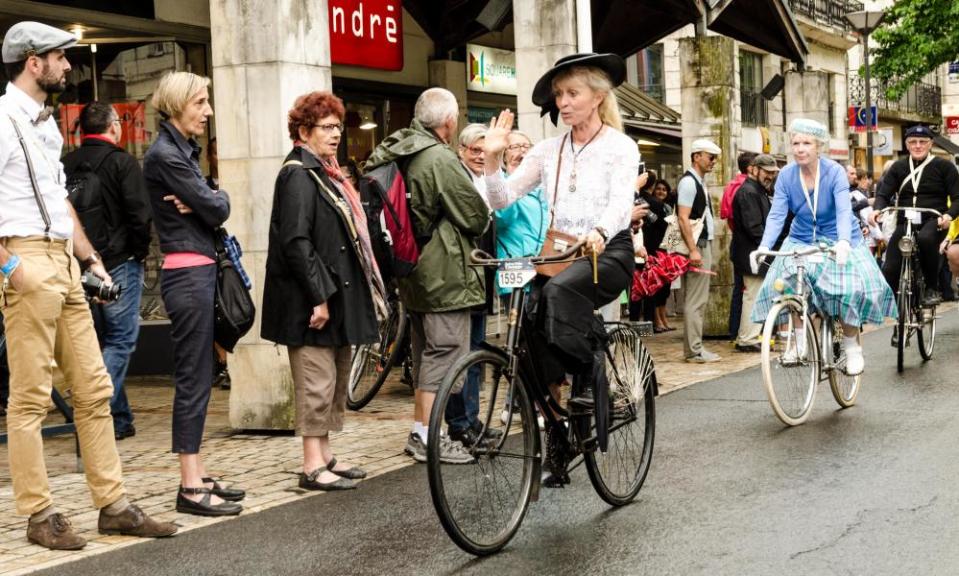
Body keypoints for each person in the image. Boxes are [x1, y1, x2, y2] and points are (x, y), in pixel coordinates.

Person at [0, 21, 176, 550]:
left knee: (95, 390)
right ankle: (39, 515)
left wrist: (91, 258)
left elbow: (60, 203)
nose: (68, 66)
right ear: (34, 62)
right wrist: (10, 268)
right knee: (29, 400)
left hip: (64, 262)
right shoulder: (2, 119)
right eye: (60, 56)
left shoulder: (45, 126)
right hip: (25, 259)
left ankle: (113, 505)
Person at [482, 52, 639, 485]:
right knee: (527, 327)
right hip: (559, 254)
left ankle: (589, 360)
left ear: (597, 96)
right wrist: (493, 160)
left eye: (573, 93)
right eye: (559, 95)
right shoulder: (548, 151)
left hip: (607, 251)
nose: (564, 102)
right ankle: (557, 429)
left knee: (557, 295)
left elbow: (620, 203)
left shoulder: (619, 146)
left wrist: (600, 231)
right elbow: (500, 199)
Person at [262, 91, 383, 491]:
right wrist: (318, 296)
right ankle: (311, 464)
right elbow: (296, 241)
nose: (335, 135)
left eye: (337, 127)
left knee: (333, 379)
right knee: (315, 383)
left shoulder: (325, 172)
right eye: (326, 128)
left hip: (337, 294)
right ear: (303, 131)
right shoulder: (297, 174)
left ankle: (326, 453)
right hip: (312, 301)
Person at [365, 88, 489, 464]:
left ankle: (421, 431)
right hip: (443, 273)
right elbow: (475, 215)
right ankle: (428, 437)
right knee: (447, 353)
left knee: (425, 355)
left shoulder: (396, 149)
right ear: (449, 123)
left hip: (412, 269)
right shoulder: (437, 158)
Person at [144, 71, 244, 516]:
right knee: (193, 377)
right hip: (188, 275)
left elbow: (214, 205)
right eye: (200, 102)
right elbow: (218, 208)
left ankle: (197, 473)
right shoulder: (167, 156)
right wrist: (208, 200)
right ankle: (189, 486)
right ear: (178, 103)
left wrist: (207, 199)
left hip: (197, 270)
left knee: (201, 374)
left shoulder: (179, 152)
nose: (207, 111)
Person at [750, 118, 896, 375]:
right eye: (795, 143)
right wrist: (763, 246)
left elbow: (842, 210)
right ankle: (799, 342)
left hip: (840, 235)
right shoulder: (785, 175)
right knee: (789, 284)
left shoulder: (834, 172)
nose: (800, 148)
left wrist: (842, 242)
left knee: (847, 289)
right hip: (802, 237)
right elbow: (776, 215)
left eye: (806, 143)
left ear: (819, 147)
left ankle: (852, 348)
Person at [62, 101, 152, 441]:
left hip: (82, 266)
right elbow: (139, 215)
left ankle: (120, 420)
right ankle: (93, 412)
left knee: (103, 342)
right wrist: (139, 254)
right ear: (114, 126)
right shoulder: (122, 163)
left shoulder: (66, 163)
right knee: (121, 341)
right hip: (120, 263)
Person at [446, 122, 500, 447]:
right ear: (461, 150)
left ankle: (472, 418)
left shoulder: (485, 180)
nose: (480, 156)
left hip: (485, 276)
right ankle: (460, 423)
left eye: (484, 150)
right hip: (467, 277)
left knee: (477, 351)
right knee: (463, 354)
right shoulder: (460, 180)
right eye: (474, 150)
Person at [870, 125, 959, 310]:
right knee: (890, 268)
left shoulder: (945, 167)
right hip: (906, 222)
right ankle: (898, 315)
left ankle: (932, 288)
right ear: (907, 145)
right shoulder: (899, 166)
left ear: (930, 144)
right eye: (913, 142)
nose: (918, 146)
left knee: (926, 239)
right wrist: (877, 209)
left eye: (922, 142)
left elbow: (958, 198)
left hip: (933, 220)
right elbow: (883, 194)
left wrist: (948, 216)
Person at [677, 139, 722, 363]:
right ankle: (694, 350)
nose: (713, 161)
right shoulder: (689, 183)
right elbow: (682, 218)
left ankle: (695, 347)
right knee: (696, 299)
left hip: (701, 244)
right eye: (710, 157)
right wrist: (693, 250)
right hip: (698, 246)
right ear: (696, 156)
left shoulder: (697, 181)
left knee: (697, 299)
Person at [730, 154, 779, 352]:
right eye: (766, 172)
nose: (770, 176)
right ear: (754, 169)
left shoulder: (755, 190)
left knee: (754, 295)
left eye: (772, 173)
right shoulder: (750, 192)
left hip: (754, 252)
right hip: (752, 253)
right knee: (753, 295)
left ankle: (749, 336)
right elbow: (754, 227)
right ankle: (747, 338)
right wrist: (768, 247)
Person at [720, 152, 757, 339]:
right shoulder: (746, 188)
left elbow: (728, 217)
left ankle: (734, 330)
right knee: (749, 290)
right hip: (748, 244)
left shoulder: (731, 186)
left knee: (739, 288)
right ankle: (744, 333)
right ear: (751, 168)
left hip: (737, 240)